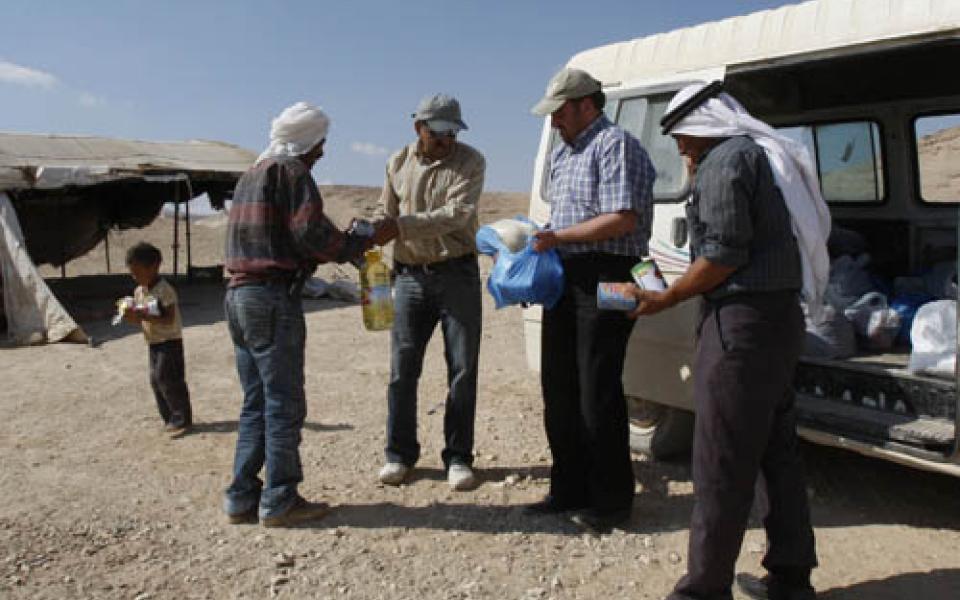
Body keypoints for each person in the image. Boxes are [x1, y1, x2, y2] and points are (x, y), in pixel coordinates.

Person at [629, 82, 829, 600]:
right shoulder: (755, 155)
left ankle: (703, 589)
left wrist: (665, 297)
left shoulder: (723, 161)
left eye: (683, 136)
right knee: (774, 451)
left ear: (707, 123)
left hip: (740, 327)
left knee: (720, 460)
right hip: (777, 322)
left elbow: (720, 257)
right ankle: (790, 578)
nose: (680, 148)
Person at [222, 101, 394, 528]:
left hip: (238, 297)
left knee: (255, 402)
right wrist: (358, 244)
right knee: (283, 402)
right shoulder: (292, 172)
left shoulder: (252, 173)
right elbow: (311, 235)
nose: (322, 153)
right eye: (320, 144)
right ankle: (280, 499)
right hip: (270, 297)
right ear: (307, 142)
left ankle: (242, 497)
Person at [525, 68, 656, 532]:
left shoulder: (615, 145)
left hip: (612, 274)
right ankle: (568, 489)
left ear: (585, 104)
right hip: (568, 274)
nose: (555, 122)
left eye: (560, 112)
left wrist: (557, 236)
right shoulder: (564, 152)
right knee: (559, 385)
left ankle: (612, 501)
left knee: (597, 386)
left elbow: (622, 219)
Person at [372, 93, 485, 491]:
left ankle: (458, 458)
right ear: (418, 128)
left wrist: (398, 226)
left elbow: (455, 216)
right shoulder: (396, 162)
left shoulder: (471, 162)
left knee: (462, 370)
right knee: (402, 371)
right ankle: (398, 455)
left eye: (452, 132)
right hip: (407, 278)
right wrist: (370, 235)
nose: (446, 140)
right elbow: (384, 213)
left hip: (457, 275)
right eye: (438, 133)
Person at [124, 241, 193, 438]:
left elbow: (168, 317)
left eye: (137, 272)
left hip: (169, 341)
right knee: (155, 380)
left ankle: (182, 418)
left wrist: (142, 316)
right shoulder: (140, 291)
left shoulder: (165, 290)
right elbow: (141, 315)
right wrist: (130, 315)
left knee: (169, 378)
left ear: (153, 267)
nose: (134, 277)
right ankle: (169, 417)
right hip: (153, 342)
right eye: (132, 273)